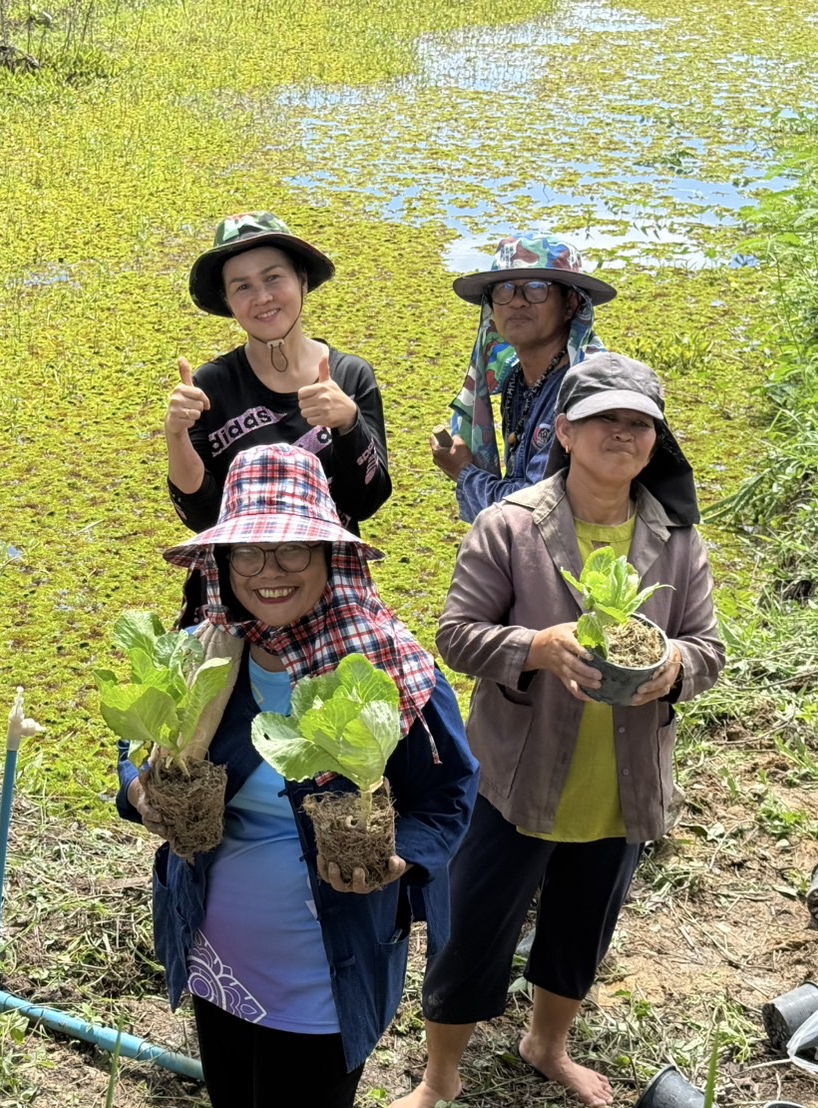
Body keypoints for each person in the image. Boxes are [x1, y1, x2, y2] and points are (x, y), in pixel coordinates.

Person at [396, 353, 725, 1108]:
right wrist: (535, 647)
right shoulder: (508, 526)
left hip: (622, 782)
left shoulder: (676, 538)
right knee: (473, 926)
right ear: (565, 432)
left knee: (582, 925)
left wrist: (672, 664)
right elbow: (456, 635)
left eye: (639, 422)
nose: (623, 433)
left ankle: (546, 1044)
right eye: (605, 418)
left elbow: (708, 650)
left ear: (656, 440)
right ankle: (438, 1078)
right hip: (515, 776)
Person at [117, 443, 477, 1108]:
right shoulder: (205, 651)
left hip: (324, 968)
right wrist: (138, 791)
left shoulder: (386, 668)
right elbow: (136, 750)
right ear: (222, 565)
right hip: (211, 951)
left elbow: (451, 793)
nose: (268, 571)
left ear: (329, 558)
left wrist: (400, 859)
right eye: (248, 552)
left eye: (293, 549)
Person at [166, 212, 391, 621]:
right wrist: (177, 437)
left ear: (302, 281)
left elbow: (366, 500)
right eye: (243, 287)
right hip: (235, 593)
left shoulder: (350, 376)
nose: (263, 297)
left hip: (329, 592)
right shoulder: (211, 385)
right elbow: (201, 516)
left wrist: (348, 423)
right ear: (228, 302)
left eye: (273, 278)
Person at [430, 232, 616, 523]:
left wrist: (463, 472)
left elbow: (534, 511)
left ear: (571, 304)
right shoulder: (517, 381)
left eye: (536, 288)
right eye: (504, 289)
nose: (517, 302)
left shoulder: (587, 389)